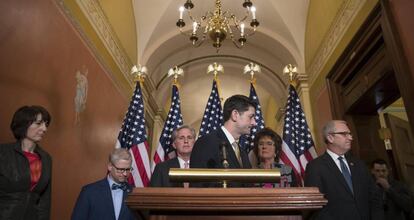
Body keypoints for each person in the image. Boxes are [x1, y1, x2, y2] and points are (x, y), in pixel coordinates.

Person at [304, 120, 384, 220]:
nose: (350, 138)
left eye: (350, 134)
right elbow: (316, 207)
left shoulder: (359, 164)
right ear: (330, 138)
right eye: (345, 134)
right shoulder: (315, 167)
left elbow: (375, 198)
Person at [190, 94, 256, 187]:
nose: (254, 123)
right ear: (235, 115)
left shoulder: (242, 153)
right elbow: (199, 186)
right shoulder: (206, 143)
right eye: (251, 117)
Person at [0, 105, 52, 220]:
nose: (44, 129)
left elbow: (44, 201)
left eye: (46, 124)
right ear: (24, 124)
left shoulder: (46, 158)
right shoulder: (3, 153)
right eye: (39, 123)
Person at [71, 148, 136, 220]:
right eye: (120, 169)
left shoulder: (135, 192)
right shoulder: (89, 192)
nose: (125, 174)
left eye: (127, 169)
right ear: (110, 167)